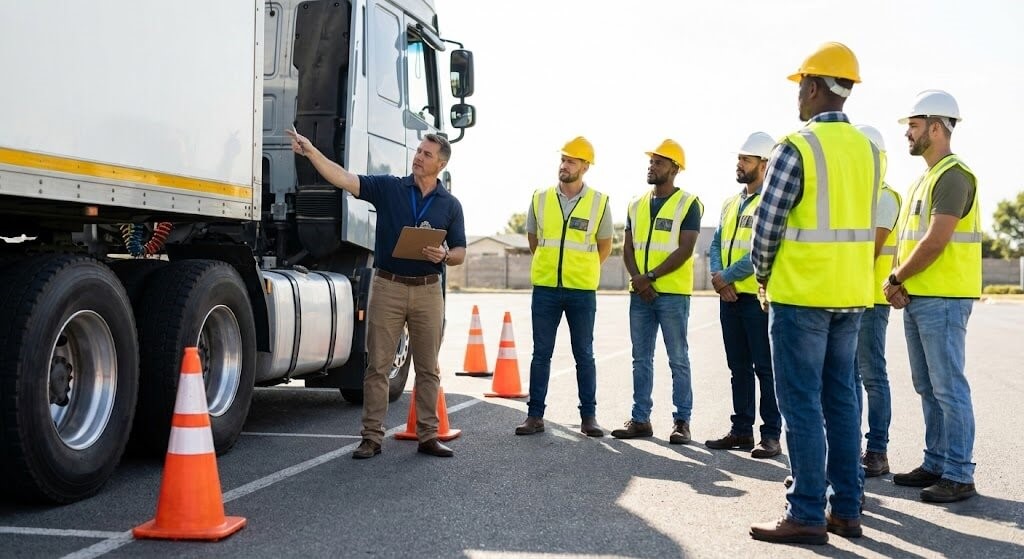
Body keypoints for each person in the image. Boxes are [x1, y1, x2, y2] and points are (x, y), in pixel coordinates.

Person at [748, 42, 879, 545]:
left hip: (802, 295)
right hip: (850, 294)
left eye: (801, 85)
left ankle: (805, 511)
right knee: (841, 402)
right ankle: (847, 510)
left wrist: (762, 276)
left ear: (815, 86)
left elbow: (768, 225)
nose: (797, 95)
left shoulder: (794, 146)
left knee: (800, 403)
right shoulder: (868, 150)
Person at [287, 129, 466, 460]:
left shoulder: (450, 205)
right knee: (378, 366)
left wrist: (443, 255)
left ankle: (428, 435)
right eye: (418, 151)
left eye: (426, 154)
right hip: (388, 286)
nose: (418, 157)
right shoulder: (389, 188)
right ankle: (371, 437)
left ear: (440, 164)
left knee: (429, 369)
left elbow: (459, 252)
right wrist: (311, 153)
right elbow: (344, 178)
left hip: (429, 291)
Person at [886, 90, 980, 503]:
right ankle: (937, 461)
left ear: (936, 127)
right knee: (927, 385)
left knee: (947, 387)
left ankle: (959, 473)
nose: (908, 133)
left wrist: (895, 278)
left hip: (943, 298)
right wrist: (903, 283)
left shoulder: (953, 175)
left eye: (913, 125)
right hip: (921, 296)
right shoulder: (925, 178)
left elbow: (936, 240)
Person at [515, 136, 612, 438]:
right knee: (541, 353)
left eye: (571, 161)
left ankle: (589, 418)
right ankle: (534, 417)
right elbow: (534, 240)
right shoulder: (540, 198)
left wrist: (579, 270)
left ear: (585, 167)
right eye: (563, 159)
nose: (564, 165)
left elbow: (604, 246)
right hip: (545, 288)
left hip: (581, 290)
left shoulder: (599, 202)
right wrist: (550, 265)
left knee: (584, 353)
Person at [611, 139, 702, 444]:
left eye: (659, 162)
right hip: (640, 294)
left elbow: (685, 249)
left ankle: (681, 421)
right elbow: (627, 248)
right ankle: (640, 419)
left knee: (678, 358)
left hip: (672, 295)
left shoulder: (688, 203)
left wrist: (649, 277)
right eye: (651, 161)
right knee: (641, 359)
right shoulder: (635, 204)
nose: (651, 166)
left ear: (674, 169)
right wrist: (638, 279)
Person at [705, 132, 782, 459]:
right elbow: (715, 244)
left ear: (764, 165)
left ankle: (770, 435)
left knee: (765, 369)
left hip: (757, 299)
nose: (739, 164)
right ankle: (740, 430)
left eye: (746, 159)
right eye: (739, 158)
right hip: (729, 297)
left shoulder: (772, 203)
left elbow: (762, 250)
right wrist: (719, 278)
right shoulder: (730, 202)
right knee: (738, 367)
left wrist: (728, 277)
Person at [852, 124, 902, 478]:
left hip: (870, 301)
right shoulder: (854, 198)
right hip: (849, 297)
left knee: (872, 377)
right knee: (848, 379)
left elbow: (870, 250)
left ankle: (878, 450)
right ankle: (850, 447)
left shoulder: (884, 196)